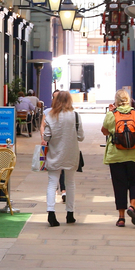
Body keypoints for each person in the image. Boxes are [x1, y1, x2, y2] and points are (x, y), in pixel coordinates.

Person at [101, 89, 135, 227]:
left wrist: (111, 114)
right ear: (129, 100)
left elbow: (104, 131)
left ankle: (121, 218)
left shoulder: (111, 115)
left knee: (119, 185)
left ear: (116, 101)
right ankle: (132, 206)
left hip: (116, 156)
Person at [42, 90, 83, 226]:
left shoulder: (50, 116)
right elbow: (81, 136)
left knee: (52, 183)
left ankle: (51, 213)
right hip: (71, 154)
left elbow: (46, 136)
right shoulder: (75, 116)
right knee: (70, 183)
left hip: (55, 154)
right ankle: (70, 214)